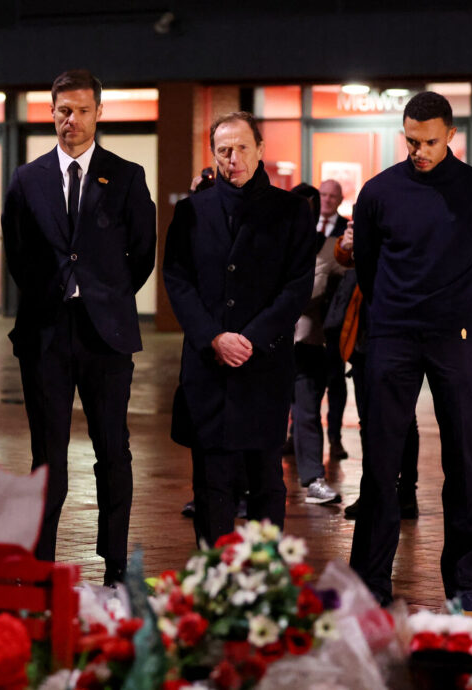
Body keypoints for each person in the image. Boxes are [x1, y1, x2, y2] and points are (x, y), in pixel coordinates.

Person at [349, 91, 472, 615]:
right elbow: (368, 268)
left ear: (451, 137)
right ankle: (370, 581)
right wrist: (390, 316)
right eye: (412, 141)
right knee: (381, 461)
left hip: (456, 338)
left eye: (430, 142)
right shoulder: (378, 193)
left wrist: (468, 316)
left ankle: (465, 583)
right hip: (393, 335)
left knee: (466, 462)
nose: (420, 150)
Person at [1, 69, 156, 584]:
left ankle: (114, 565)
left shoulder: (127, 175)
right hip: (45, 334)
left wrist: (104, 297)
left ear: (98, 113)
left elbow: (142, 254)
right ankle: (39, 563)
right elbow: (19, 253)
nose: (73, 120)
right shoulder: (27, 179)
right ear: (51, 113)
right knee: (47, 454)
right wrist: (54, 295)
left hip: (106, 336)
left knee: (113, 449)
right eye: (63, 110)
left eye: (83, 110)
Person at [164, 111, 315, 547]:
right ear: (213, 155)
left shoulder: (290, 212)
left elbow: (296, 285)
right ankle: (213, 575)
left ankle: (266, 580)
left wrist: (251, 338)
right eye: (224, 150)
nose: (233, 159)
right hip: (207, 367)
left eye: (242, 148)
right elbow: (177, 278)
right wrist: (213, 336)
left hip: (262, 366)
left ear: (261, 150)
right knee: (211, 483)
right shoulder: (191, 211)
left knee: (267, 482)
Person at [331, 225, 421, 521]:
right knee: (369, 420)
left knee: (404, 420)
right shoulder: (373, 217)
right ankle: (374, 492)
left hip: (401, 339)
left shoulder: (408, 226)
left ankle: (406, 493)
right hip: (364, 341)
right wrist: (347, 243)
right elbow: (346, 258)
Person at [287, 181, 345, 504]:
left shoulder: (326, 248)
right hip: (269, 346)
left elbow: (349, 264)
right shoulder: (271, 246)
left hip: (308, 345)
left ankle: (313, 479)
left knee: (307, 413)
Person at [317, 180, 351, 461]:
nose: (327, 200)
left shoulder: (346, 230)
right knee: (304, 383)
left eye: (332, 196)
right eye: (323, 195)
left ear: (340, 199)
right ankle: (298, 436)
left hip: (334, 321)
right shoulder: (304, 225)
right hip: (308, 321)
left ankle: (335, 438)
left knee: (335, 381)